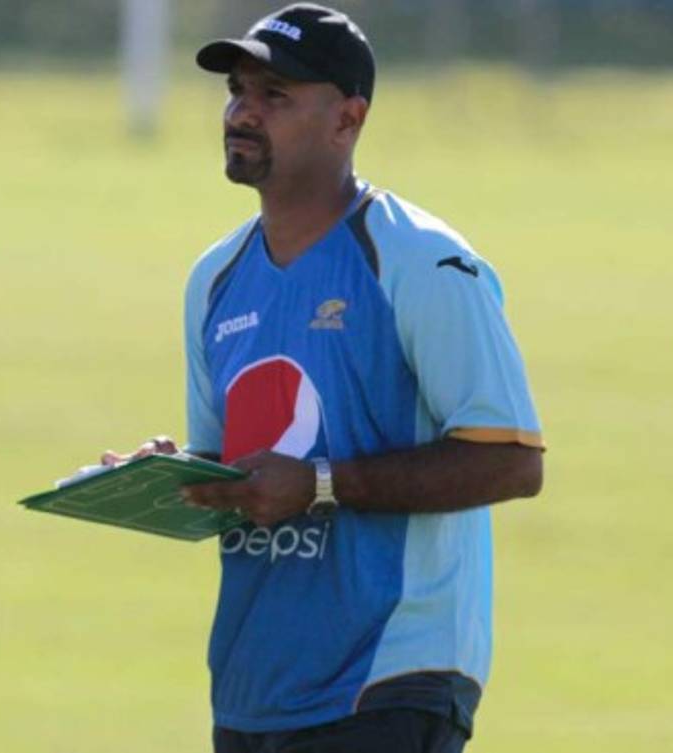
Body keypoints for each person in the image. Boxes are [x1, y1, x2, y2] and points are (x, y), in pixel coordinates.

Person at [104, 4, 544, 752]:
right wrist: (175, 476)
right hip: (255, 683)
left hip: (388, 680)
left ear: (348, 119)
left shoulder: (423, 262)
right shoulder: (215, 279)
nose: (242, 112)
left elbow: (511, 458)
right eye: (237, 90)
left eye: (274, 95)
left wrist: (318, 484)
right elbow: (245, 479)